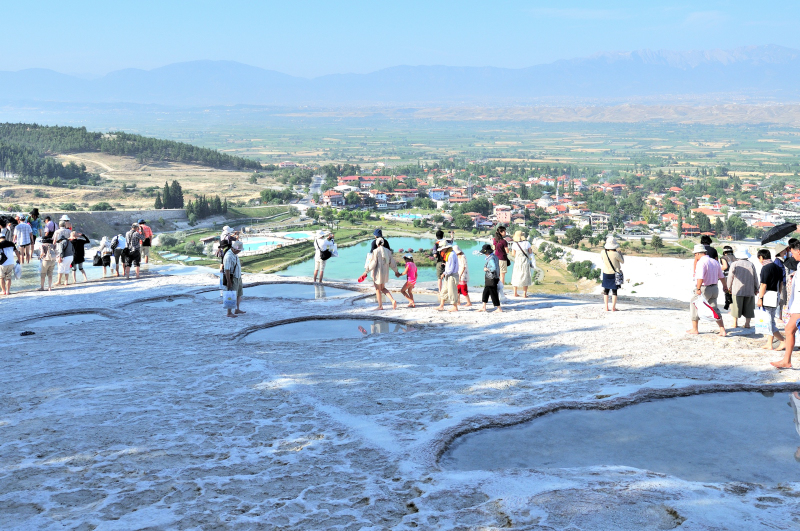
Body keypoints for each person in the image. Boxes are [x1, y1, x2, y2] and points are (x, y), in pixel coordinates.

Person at [772, 241, 800, 369]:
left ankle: (786, 361)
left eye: (793, 252)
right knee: (789, 329)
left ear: (798, 251)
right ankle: (786, 360)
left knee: (789, 329)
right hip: (796, 304)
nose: (792, 255)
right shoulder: (798, 265)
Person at [688, 244, 726, 336]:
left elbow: (700, 277)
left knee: (694, 305)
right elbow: (721, 276)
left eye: (695, 254)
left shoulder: (701, 262)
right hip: (714, 288)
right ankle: (722, 329)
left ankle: (695, 329)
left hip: (704, 288)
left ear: (698, 253)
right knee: (714, 308)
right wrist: (725, 286)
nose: (695, 256)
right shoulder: (714, 261)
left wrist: (698, 288)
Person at [757, 249, 785, 350]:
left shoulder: (765, 268)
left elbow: (763, 285)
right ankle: (769, 343)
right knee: (771, 320)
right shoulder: (778, 267)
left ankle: (783, 341)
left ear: (761, 257)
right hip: (775, 295)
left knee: (768, 322)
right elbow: (781, 283)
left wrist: (760, 298)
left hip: (767, 296)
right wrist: (779, 294)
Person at [726, 249, 758, 330]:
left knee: (736, 307)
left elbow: (730, 277)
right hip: (749, 289)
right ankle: (747, 324)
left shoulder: (734, 264)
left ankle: (735, 323)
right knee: (749, 307)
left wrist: (728, 287)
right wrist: (756, 288)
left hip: (737, 289)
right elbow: (755, 277)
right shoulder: (751, 264)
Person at [365, 237, 398, 310]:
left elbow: (373, 263)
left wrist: (366, 271)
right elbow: (392, 262)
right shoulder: (388, 251)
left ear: (377, 243)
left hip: (378, 273)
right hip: (385, 273)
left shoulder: (376, 251)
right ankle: (392, 300)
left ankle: (380, 306)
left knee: (377, 289)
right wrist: (396, 271)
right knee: (383, 288)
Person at [601, 236, 624, 312]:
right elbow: (622, 261)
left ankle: (606, 307)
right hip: (614, 274)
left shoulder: (603, 252)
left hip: (606, 273)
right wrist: (620, 254)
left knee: (606, 290)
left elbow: (602, 259)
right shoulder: (616, 254)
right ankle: (613, 308)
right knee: (614, 291)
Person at [223, 240, 246, 318]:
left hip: (238, 277)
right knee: (231, 295)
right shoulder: (228, 256)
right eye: (239, 250)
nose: (240, 251)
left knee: (239, 294)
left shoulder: (234, 254)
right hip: (233, 278)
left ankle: (237, 309)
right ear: (235, 249)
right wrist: (229, 281)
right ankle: (229, 312)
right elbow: (227, 270)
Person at [436, 242, 460, 312]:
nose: (441, 250)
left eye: (442, 249)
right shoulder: (449, 253)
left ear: (446, 248)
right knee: (444, 290)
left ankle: (455, 307)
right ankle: (441, 305)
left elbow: (451, 268)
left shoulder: (451, 254)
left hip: (452, 275)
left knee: (452, 291)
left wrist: (444, 273)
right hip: (448, 274)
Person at [478, 243, 502, 312]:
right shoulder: (495, 256)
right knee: (486, 291)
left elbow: (494, 268)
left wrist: (487, 269)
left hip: (491, 278)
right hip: (493, 277)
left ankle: (499, 308)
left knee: (493, 293)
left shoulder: (491, 259)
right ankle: (483, 306)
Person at [510, 230, 533, 298]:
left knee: (515, 276)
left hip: (517, 262)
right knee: (525, 276)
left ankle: (515, 293)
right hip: (525, 262)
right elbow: (530, 252)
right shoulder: (527, 243)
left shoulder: (515, 244)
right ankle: (524, 294)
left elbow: (513, 254)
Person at [492, 225, 510, 299]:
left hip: (496, 258)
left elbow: (494, 248)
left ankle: (496, 288)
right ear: (501, 232)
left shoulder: (494, 240)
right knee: (502, 275)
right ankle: (501, 290)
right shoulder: (504, 241)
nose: (505, 232)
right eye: (504, 231)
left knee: (497, 275)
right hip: (502, 258)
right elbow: (507, 251)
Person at [720, 245, 736, 310]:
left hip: (727, 275)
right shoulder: (735, 257)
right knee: (733, 290)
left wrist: (718, 270)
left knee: (727, 289)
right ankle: (733, 303)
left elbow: (725, 266)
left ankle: (727, 303)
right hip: (735, 275)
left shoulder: (724, 258)